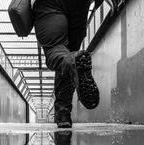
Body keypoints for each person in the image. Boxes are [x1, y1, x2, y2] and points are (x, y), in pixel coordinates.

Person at [31, 0, 118, 128]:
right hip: (79, 4)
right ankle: (63, 113)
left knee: (57, 51)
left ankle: (63, 113)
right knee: (71, 54)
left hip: (48, 4)